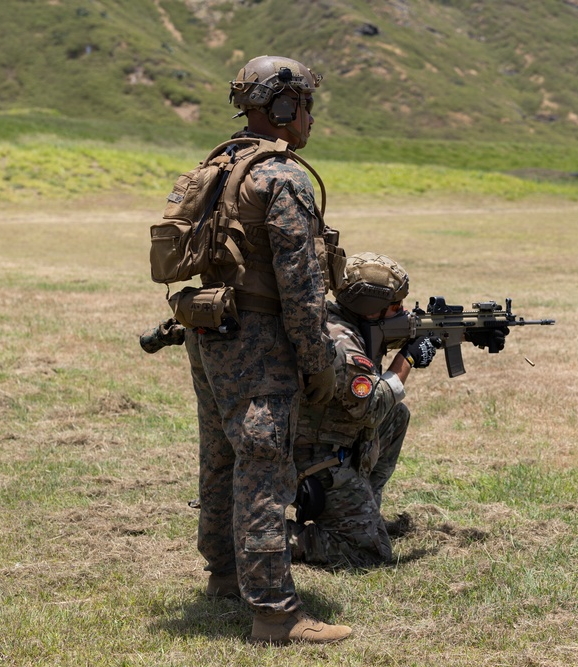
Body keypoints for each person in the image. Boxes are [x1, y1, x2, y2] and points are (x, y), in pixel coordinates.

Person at [181, 54, 350, 645]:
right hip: (258, 340)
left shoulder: (221, 163)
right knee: (264, 464)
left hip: (211, 335)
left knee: (223, 456)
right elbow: (302, 289)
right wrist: (318, 361)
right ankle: (275, 614)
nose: (309, 119)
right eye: (305, 105)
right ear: (283, 105)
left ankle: (226, 576)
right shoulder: (282, 176)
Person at [288, 252, 442, 568]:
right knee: (370, 553)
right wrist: (407, 360)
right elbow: (371, 408)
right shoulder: (342, 345)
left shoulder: (342, 321)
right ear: (371, 309)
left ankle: (364, 506)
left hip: (331, 441)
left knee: (396, 417)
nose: (403, 313)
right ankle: (277, 538)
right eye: (396, 307)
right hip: (314, 461)